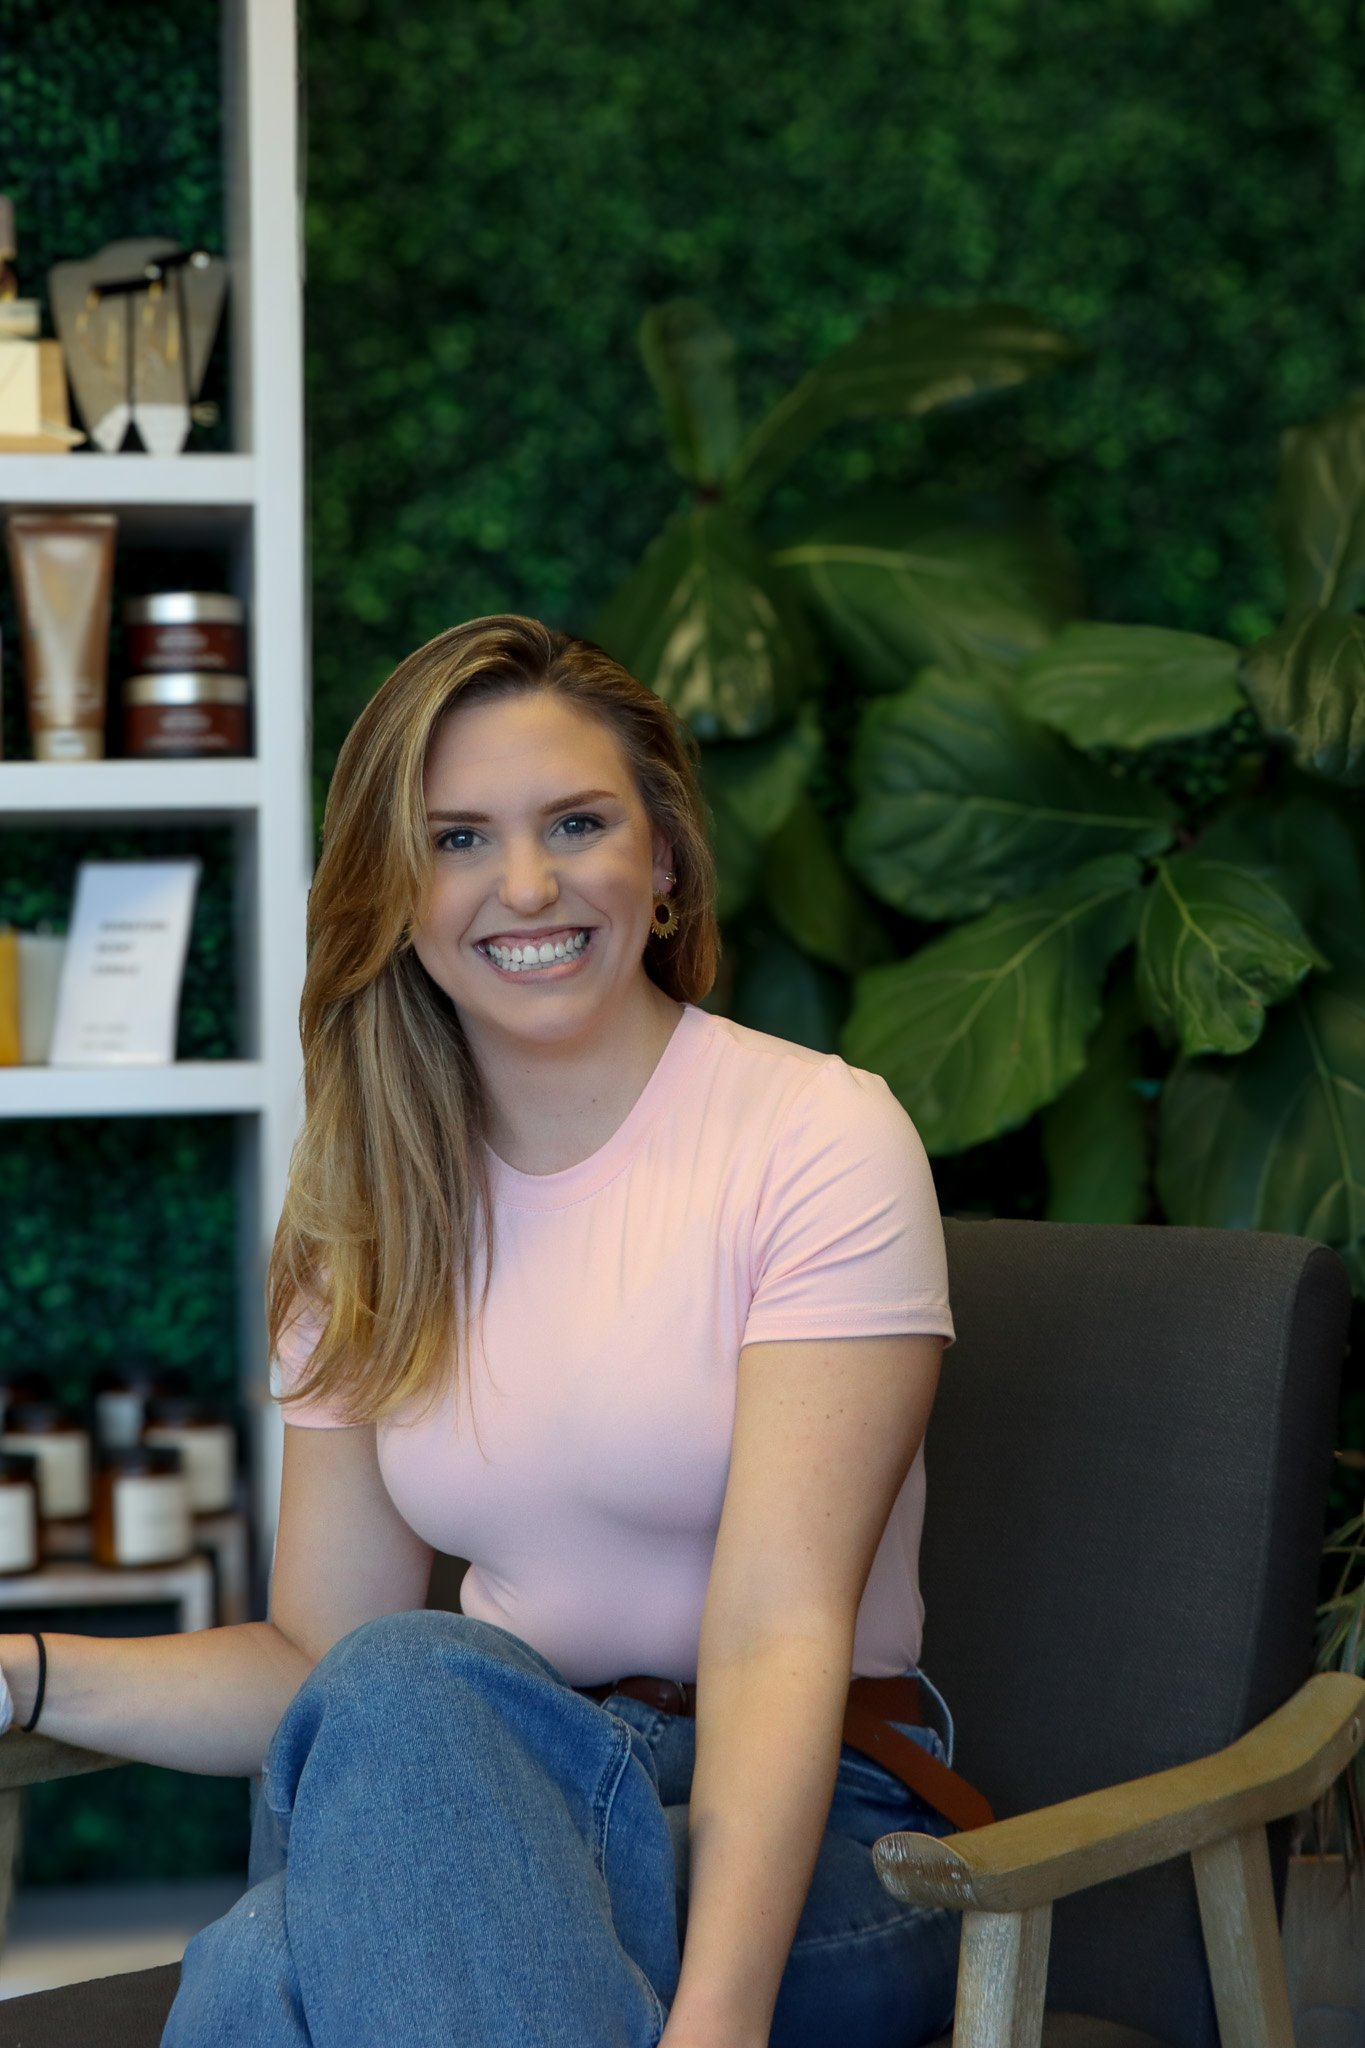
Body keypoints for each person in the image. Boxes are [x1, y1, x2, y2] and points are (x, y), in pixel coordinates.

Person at [3, 615, 969, 2048]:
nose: (525, 885)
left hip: (820, 1828)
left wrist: (717, 2027)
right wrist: (25, 1672)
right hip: (482, 1780)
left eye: (577, 823)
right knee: (393, 1691)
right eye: (457, 839)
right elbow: (315, 1655)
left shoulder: (814, 1136)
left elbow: (779, 1628)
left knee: (268, 1957)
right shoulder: (367, 1207)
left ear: (664, 859)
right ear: (393, 892)